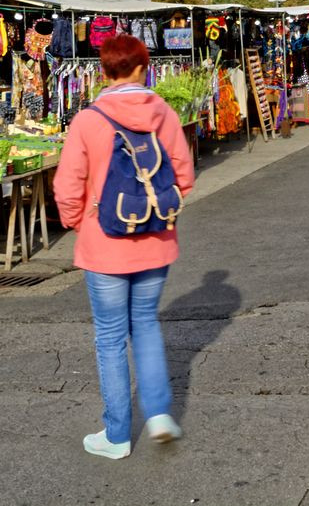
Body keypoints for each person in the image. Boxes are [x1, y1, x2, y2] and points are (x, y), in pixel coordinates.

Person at [53, 34, 196, 460]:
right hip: (154, 242)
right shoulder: (164, 114)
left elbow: (67, 186)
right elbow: (183, 178)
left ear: (103, 70)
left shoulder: (88, 120)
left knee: (111, 337)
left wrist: (80, 223)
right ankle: (158, 415)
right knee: (147, 325)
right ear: (143, 67)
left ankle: (116, 435)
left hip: (104, 244)